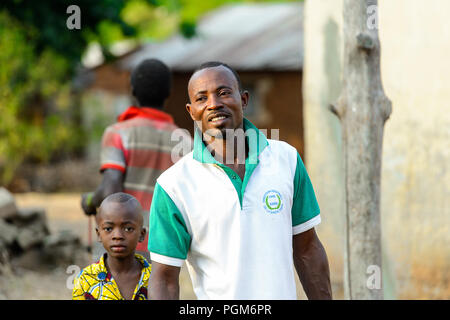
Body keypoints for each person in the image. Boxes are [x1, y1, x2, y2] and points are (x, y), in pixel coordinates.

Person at [147, 61, 332, 300]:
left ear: (244, 100)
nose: (214, 104)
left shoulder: (286, 160)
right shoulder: (173, 185)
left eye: (224, 93)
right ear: (191, 111)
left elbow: (308, 249)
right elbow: (164, 277)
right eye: (202, 98)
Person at [81, 58, 191, 260]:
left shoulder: (119, 133)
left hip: (124, 240)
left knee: (112, 292)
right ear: (168, 93)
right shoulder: (184, 140)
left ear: (132, 90)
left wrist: (89, 200)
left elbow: (110, 188)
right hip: (163, 244)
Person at [73, 192, 151, 300]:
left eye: (128, 229)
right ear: (99, 234)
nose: (117, 236)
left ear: (142, 234)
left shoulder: (154, 278)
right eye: (108, 229)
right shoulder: (85, 279)